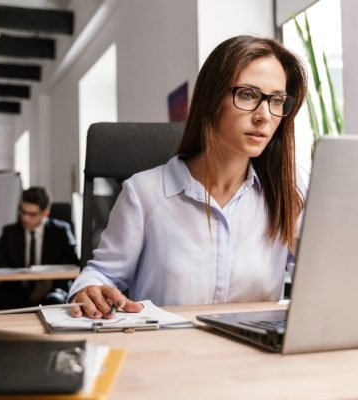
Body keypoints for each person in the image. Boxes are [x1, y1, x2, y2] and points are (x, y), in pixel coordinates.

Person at [69, 35, 308, 319]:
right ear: (212, 99)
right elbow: (102, 274)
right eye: (247, 95)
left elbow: (320, 277)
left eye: (277, 100)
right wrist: (90, 289)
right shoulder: (144, 193)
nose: (264, 115)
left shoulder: (289, 191)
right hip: (168, 353)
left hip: (253, 358)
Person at [0, 187, 79, 310]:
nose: (25, 218)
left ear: (45, 213)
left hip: (50, 288)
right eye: (22, 211)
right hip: (19, 289)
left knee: (54, 301)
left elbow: (75, 262)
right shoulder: (10, 232)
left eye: (32, 214)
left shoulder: (61, 231)